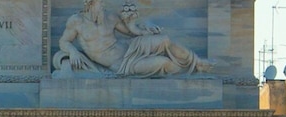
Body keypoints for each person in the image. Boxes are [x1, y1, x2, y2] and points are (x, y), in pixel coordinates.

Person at [52, 0, 214, 78]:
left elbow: (133, 32)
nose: (103, 6)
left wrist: (147, 29)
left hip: (131, 46)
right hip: (122, 64)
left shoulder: (110, 17)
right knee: (164, 63)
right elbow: (63, 42)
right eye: (100, 3)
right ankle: (191, 72)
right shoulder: (76, 21)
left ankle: (198, 62)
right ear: (90, 4)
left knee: (164, 39)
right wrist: (72, 51)